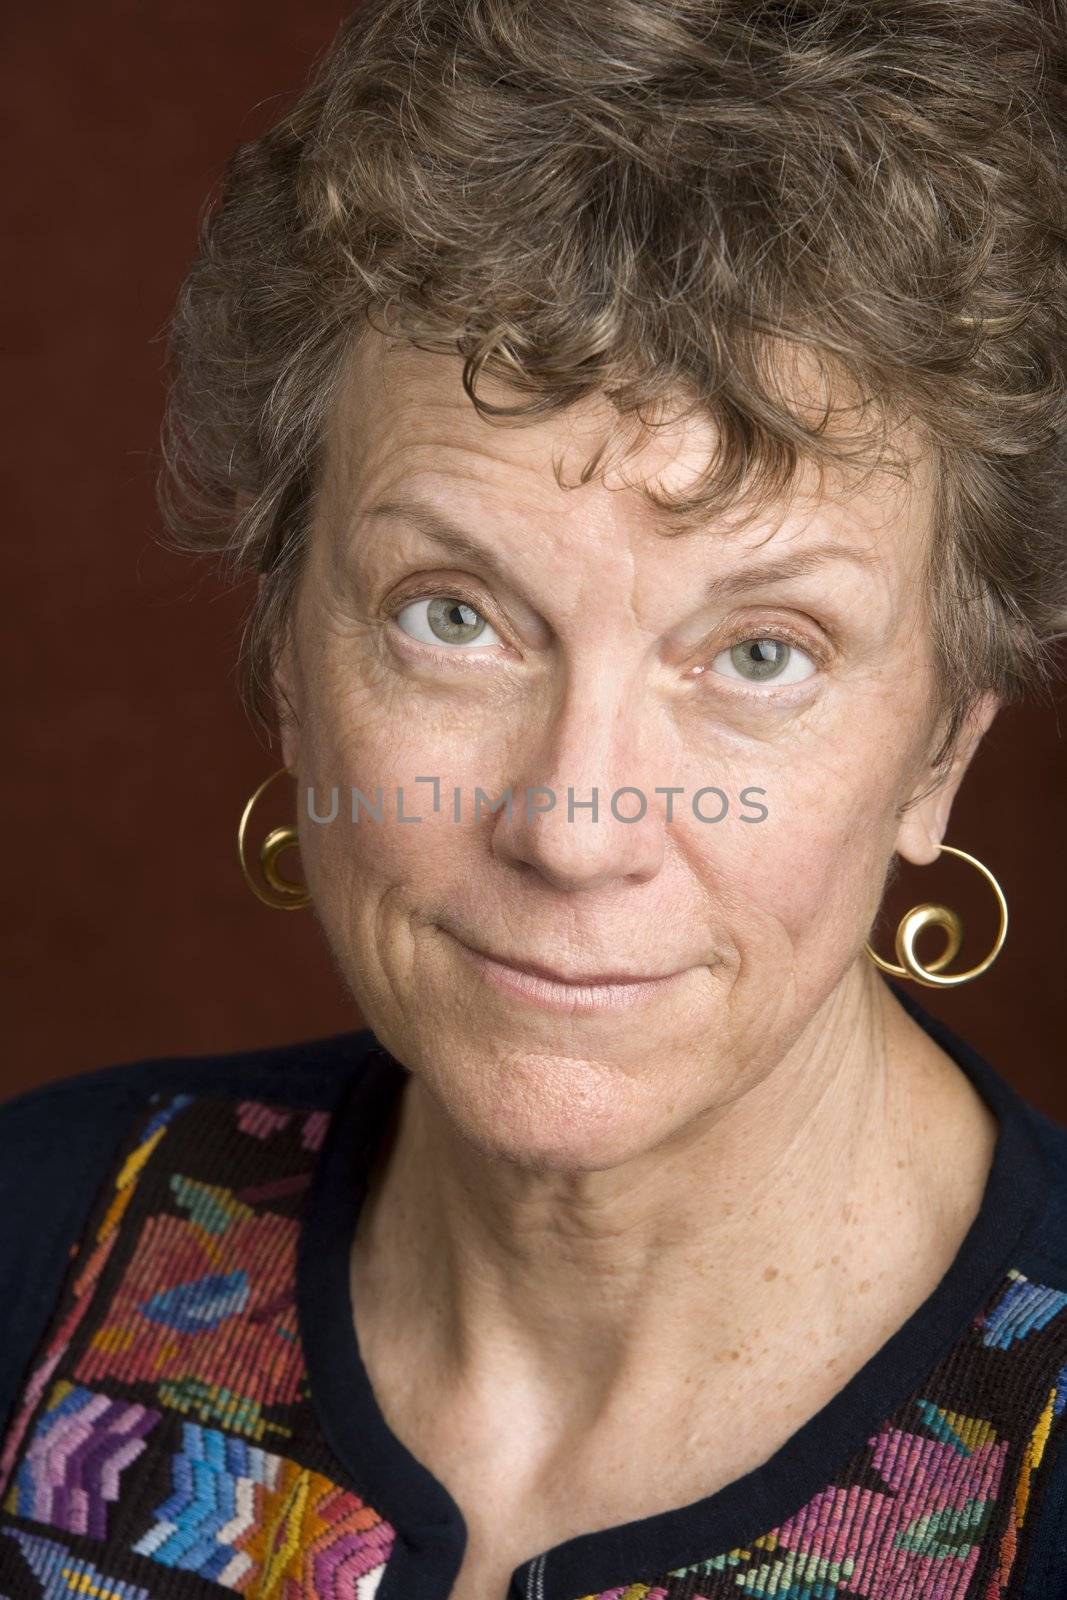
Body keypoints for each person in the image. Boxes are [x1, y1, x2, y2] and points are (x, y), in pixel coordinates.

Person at [3, 0, 1067, 1596]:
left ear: (943, 747)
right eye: (457, 616)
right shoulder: (27, 1245)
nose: (571, 829)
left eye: (761, 654)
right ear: (287, 654)